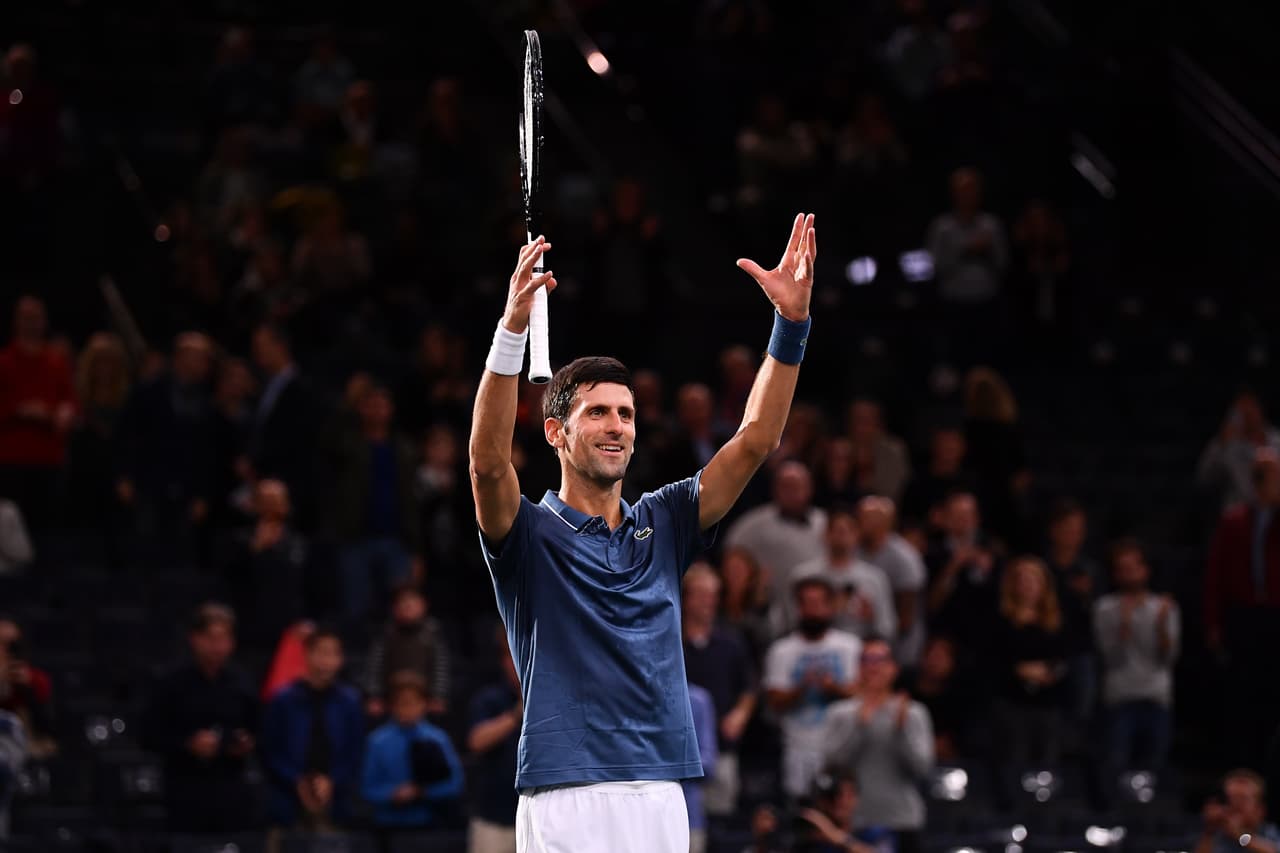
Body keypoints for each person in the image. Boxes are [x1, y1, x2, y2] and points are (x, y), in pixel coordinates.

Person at [468, 214, 817, 852]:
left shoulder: (667, 520)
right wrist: (511, 331)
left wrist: (790, 327)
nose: (616, 425)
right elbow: (487, 463)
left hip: (660, 790)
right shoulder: (526, 532)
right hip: (565, 790)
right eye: (596, 411)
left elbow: (755, 439)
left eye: (625, 413)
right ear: (555, 433)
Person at [143, 604, 261, 832]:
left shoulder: (243, 683)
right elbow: (148, 736)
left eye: (224, 638)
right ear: (194, 638)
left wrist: (246, 744)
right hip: (185, 789)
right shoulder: (170, 682)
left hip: (230, 788)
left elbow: (256, 730)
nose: (217, 646)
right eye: (210, 638)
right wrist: (187, 744)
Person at [822, 639, 933, 853]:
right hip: (854, 823)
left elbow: (922, 769)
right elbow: (832, 766)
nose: (873, 666)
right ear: (858, 667)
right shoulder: (840, 713)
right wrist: (859, 728)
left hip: (902, 821)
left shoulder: (913, 713)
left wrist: (901, 732)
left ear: (894, 668)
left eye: (880, 660)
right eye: (866, 660)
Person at [1205, 448, 1280, 765]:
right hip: (1244, 618)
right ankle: (1242, 771)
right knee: (1244, 701)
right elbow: (1215, 576)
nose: (1265, 478)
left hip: (1278, 617)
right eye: (1260, 472)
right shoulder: (1234, 520)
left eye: (1271, 472)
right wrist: (1213, 624)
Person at [328, 383, 423, 627]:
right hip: (355, 539)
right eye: (371, 405)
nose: (377, 411)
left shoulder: (403, 448)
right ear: (361, 409)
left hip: (396, 540)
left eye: (382, 405)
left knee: (400, 613)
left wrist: (415, 549)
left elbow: (411, 501)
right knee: (355, 611)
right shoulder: (346, 444)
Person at [764, 576, 862, 799]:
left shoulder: (850, 647)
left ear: (830, 606)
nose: (813, 610)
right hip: (797, 747)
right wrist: (801, 688)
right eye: (807, 603)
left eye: (818, 603)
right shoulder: (782, 650)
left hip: (842, 748)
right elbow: (774, 701)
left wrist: (832, 688)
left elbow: (862, 694)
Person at [262, 627, 365, 834]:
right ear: (307, 654)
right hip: (289, 801)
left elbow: (355, 752)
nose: (326, 661)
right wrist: (296, 781)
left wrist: (333, 780)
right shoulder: (283, 700)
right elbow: (269, 750)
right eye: (321, 652)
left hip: (336, 802)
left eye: (333, 653)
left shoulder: (350, 701)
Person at [1093, 539, 1179, 778]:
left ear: (1145, 570)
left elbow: (1168, 658)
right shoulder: (1105, 608)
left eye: (1133, 567)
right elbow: (1110, 658)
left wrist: (1161, 626)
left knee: (1154, 770)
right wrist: (1124, 625)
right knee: (1117, 768)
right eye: (1123, 568)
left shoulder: (1164, 607)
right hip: (1120, 697)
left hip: (1156, 696)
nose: (1129, 574)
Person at [682, 563, 757, 816]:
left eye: (713, 595)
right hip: (682, 750)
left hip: (721, 749)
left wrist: (740, 714)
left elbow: (749, 687)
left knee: (721, 820)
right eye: (701, 594)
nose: (708, 602)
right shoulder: (671, 640)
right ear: (687, 597)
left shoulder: (730, 642)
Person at [987, 557, 1067, 792]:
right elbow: (992, 659)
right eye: (1022, 580)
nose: (1028, 585)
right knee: (1015, 759)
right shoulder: (1001, 619)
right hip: (1011, 701)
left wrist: (1048, 673)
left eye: (1034, 580)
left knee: (1047, 761)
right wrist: (1018, 669)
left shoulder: (1055, 621)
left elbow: (1064, 657)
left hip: (1047, 701)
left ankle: (1044, 811)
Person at [0, 295, 75, 535]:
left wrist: (64, 412)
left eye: (36, 317)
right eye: (26, 317)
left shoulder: (56, 361)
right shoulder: (3, 362)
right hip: (11, 458)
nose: (31, 323)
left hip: (49, 458)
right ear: (16, 321)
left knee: (47, 530)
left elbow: (70, 399)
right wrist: (21, 410)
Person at [361, 670, 464, 836]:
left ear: (424, 704)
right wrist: (393, 795)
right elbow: (367, 788)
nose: (407, 709)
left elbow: (454, 783)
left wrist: (421, 792)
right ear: (392, 705)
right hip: (386, 830)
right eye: (402, 703)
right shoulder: (377, 741)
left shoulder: (438, 739)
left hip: (429, 826)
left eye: (413, 703)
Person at [724, 461, 828, 606]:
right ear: (775, 489)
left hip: (813, 605)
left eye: (797, 486)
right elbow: (732, 556)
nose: (792, 492)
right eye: (786, 486)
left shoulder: (824, 523)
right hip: (768, 607)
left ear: (809, 488)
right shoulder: (753, 525)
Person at [221, 478, 308, 651]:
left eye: (276, 500)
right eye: (266, 500)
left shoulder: (299, 543)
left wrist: (305, 621)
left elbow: (309, 587)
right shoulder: (238, 541)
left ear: (286, 505)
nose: (272, 506)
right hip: (248, 631)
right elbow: (228, 580)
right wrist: (255, 548)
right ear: (255, 504)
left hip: (289, 633)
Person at [789, 506, 896, 641]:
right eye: (836, 530)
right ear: (825, 535)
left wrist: (871, 618)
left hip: (859, 649)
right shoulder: (804, 576)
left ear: (857, 535)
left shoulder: (874, 578)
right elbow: (790, 622)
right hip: (812, 648)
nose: (841, 536)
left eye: (847, 531)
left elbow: (887, 628)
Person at [467, 628, 524, 853]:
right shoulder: (489, 699)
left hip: (537, 815)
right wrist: (516, 715)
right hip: (493, 817)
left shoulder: (553, 700)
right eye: (511, 655)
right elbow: (477, 742)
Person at [856, 498, 927, 666]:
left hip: (899, 645)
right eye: (861, 517)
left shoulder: (905, 558)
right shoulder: (855, 550)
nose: (862, 522)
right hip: (864, 638)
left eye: (871, 518)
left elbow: (906, 616)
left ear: (887, 522)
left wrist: (883, 644)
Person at [364, 581, 450, 718]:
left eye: (412, 601)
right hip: (391, 701)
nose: (407, 606)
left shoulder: (433, 633)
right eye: (402, 602)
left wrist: (437, 695)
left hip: (424, 700)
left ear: (423, 604)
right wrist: (375, 696)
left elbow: (440, 667)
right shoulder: (386, 634)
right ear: (394, 608)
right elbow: (375, 668)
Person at [1199, 391, 1280, 512]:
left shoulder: (1277, 440)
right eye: (1242, 412)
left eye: (1251, 408)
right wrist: (1221, 443)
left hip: (1275, 513)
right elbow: (1205, 477)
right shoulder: (1228, 446)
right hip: (1240, 515)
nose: (1248, 415)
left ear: (1259, 408)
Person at [898, 635, 970, 762]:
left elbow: (948, 745)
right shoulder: (902, 688)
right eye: (933, 655)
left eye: (942, 657)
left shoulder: (958, 699)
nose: (935, 662)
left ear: (952, 663)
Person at [793, 769, 895, 853]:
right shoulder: (807, 838)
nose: (841, 802)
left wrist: (838, 838)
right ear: (820, 800)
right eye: (833, 796)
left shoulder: (873, 833)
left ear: (857, 798)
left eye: (848, 795)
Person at [1196, 770, 1280, 853]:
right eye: (1230, 798)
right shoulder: (1217, 833)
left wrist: (1239, 834)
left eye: (1243, 799)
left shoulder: (1268, 832)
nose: (1235, 805)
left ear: (1260, 809)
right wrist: (1210, 831)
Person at [845, 400, 910, 504]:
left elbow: (894, 492)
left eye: (868, 421)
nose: (862, 427)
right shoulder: (841, 448)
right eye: (858, 420)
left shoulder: (892, 452)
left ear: (879, 424)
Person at [685, 683, 718, 853]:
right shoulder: (636, 697)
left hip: (690, 820)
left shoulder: (697, 700)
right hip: (644, 819)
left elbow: (708, 764)